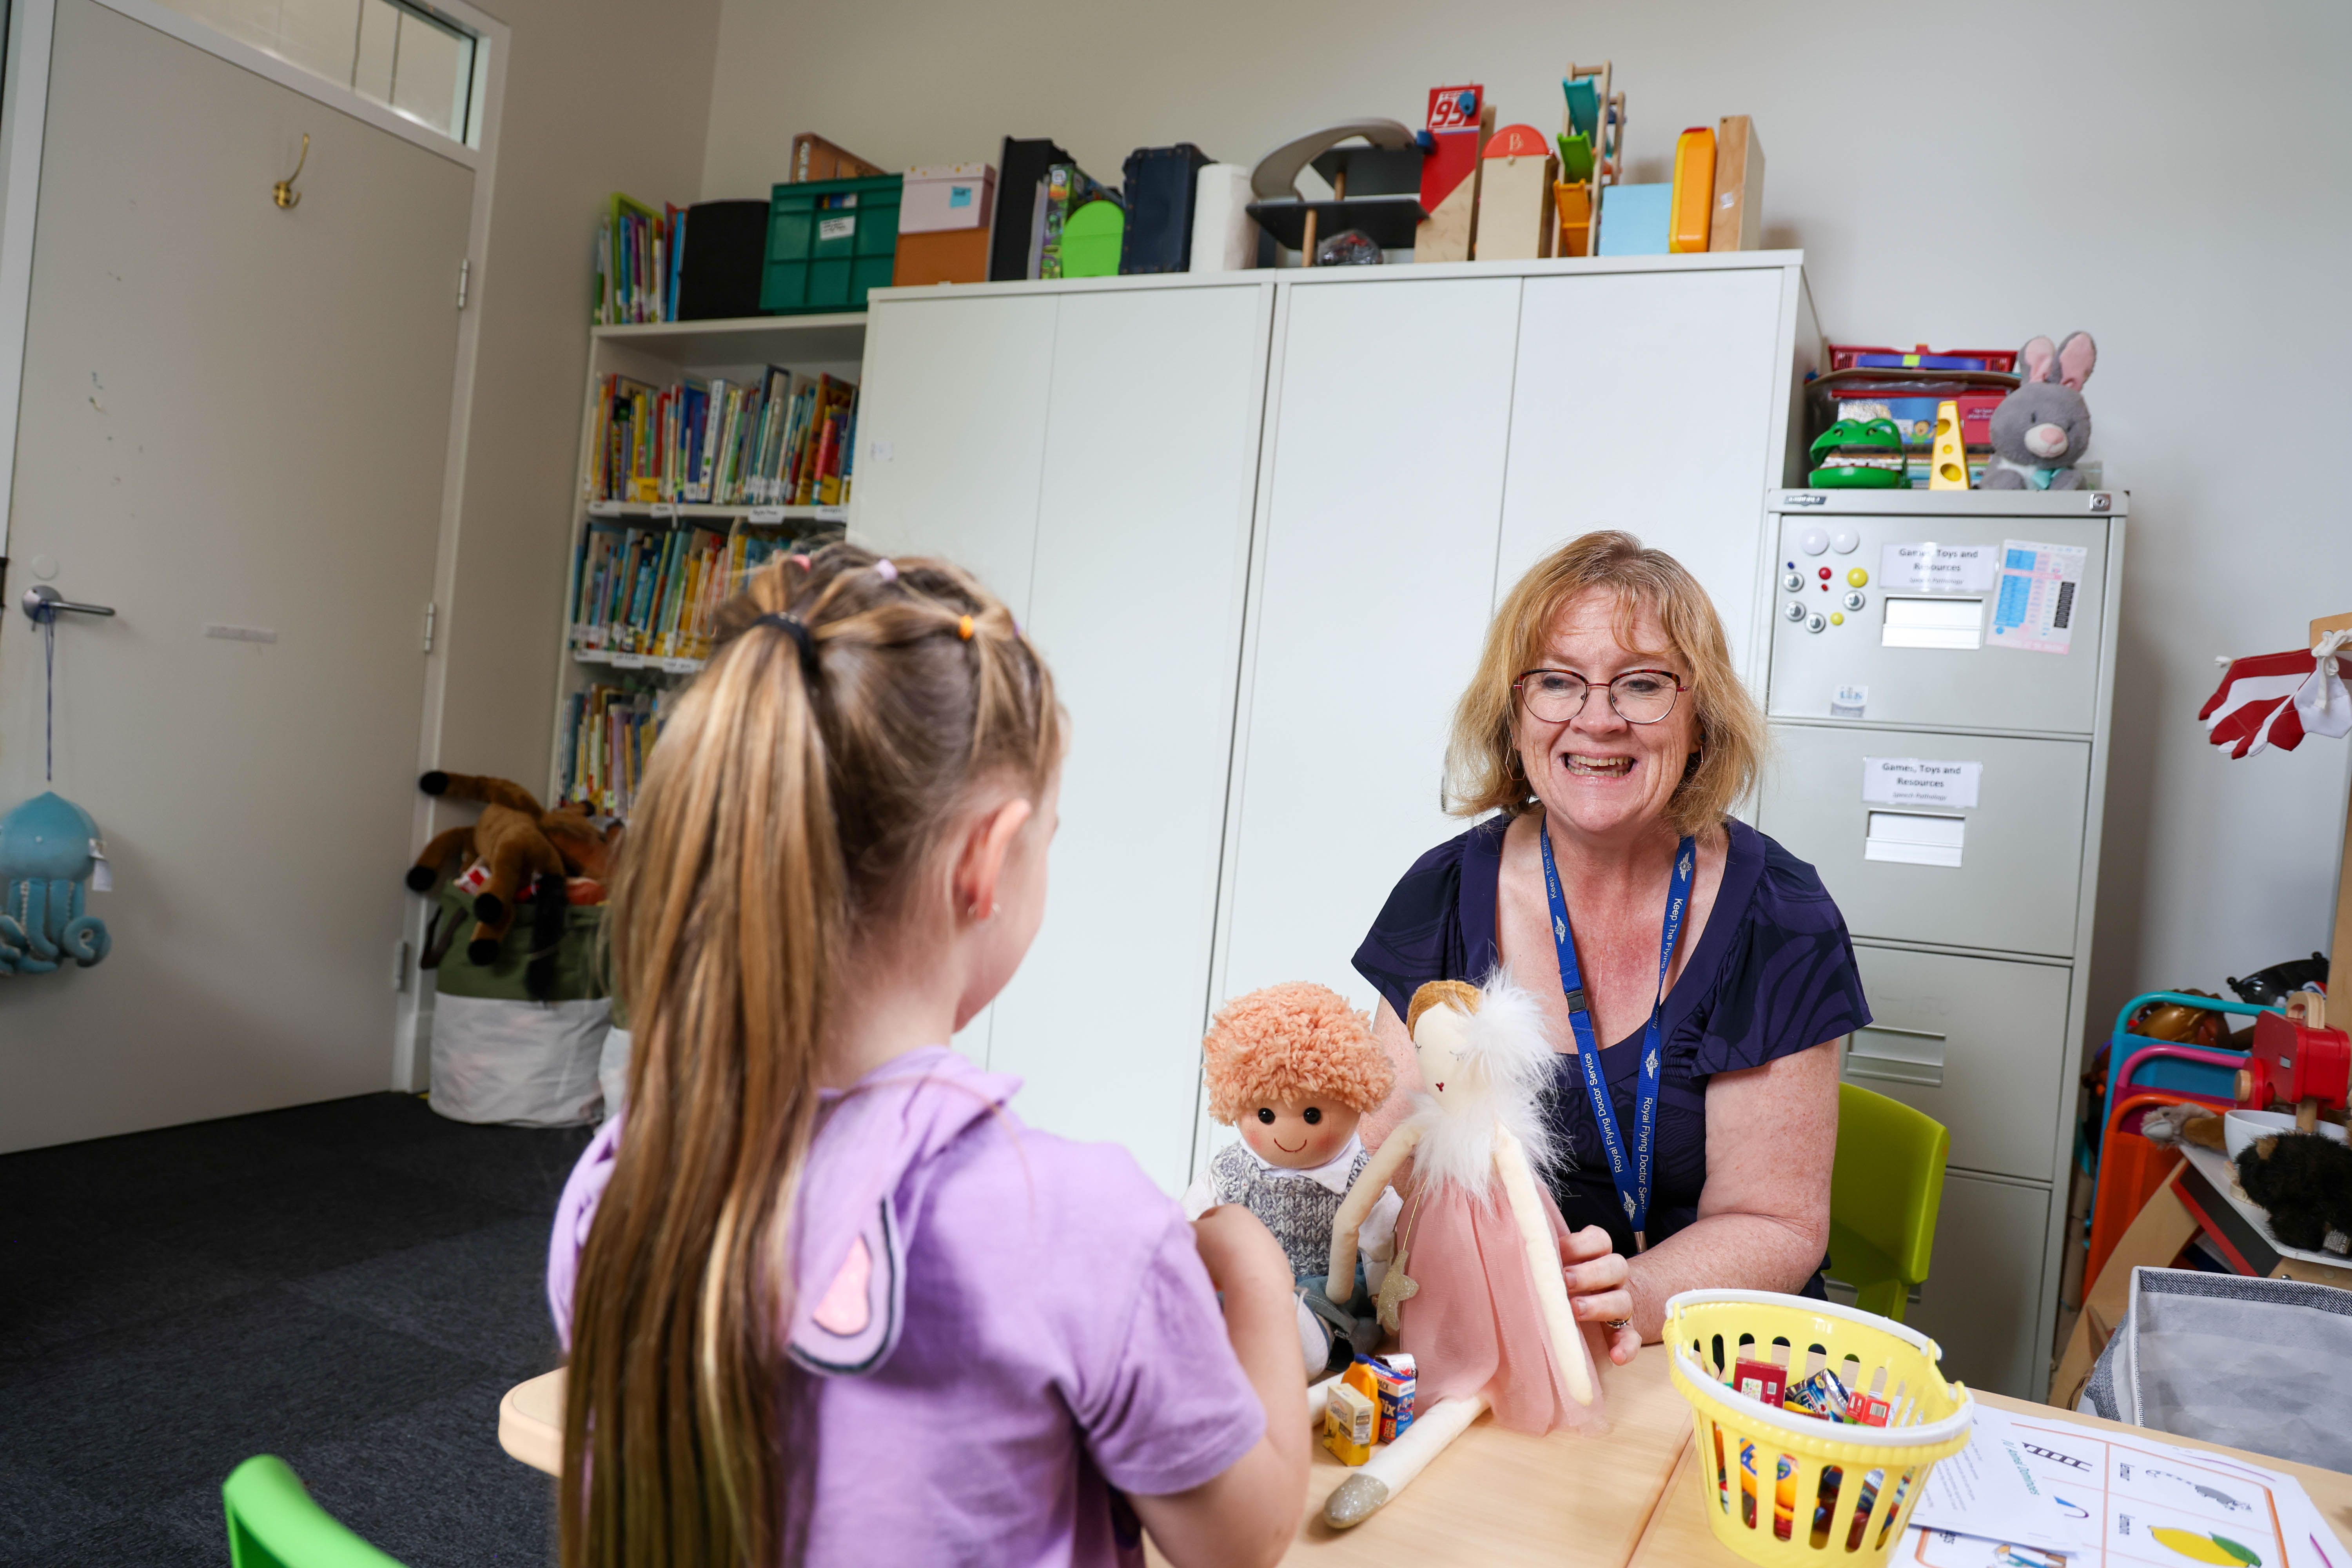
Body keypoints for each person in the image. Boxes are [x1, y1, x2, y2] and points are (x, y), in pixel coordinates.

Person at [546, 546, 1305, 1568]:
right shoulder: (1082, 1224)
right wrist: (1256, 1276)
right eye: (1049, 838)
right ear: (987, 858)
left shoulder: (623, 1181)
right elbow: (1241, 1539)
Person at [1353, 531, 1869, 1364]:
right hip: (1495, 1331)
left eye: (1642, 683)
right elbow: (1388, 1157)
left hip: (1702, 1348)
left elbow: (1775, 1221)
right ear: (1514, 714)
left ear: (1700, 720)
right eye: (1558, 681)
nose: (1598, 719)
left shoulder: (1781, 914)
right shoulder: (1442, 892)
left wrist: (1627, 1294)